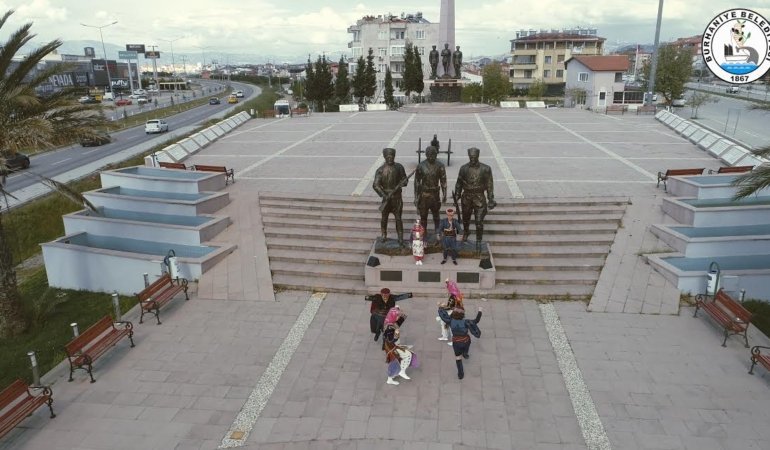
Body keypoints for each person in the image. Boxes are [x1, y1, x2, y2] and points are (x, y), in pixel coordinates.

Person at [454, 147, 496, 243]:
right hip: (467, 197)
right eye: (471, 157)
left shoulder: (486, 169)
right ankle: (466, 232)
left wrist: (490, 199)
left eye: (474, 157)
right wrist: (457, 195)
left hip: (479, 197)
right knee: (465, 219)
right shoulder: (463, 168)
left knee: (479, 222)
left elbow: (490, 185)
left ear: (478, 156)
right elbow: (459, 183)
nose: (472, 159)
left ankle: (478, 240)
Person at [373, 148, 409, 245]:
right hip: (386, 198)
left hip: (397, 198)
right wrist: (384, 195)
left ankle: (400, 237)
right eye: (388, 156)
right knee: (384, 218)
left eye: (392, 156)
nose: (390, 158)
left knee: (398, 219)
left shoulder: (399, 167)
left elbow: (405, 179)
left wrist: (404, 182)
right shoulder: (380, 170)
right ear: (385, 157)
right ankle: (384, 235)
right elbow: (375, 185)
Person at [437, 304, 482, 379]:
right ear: (463, 314)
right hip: (466, 341)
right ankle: (465, 354)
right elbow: (476, 321)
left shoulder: (450, 321)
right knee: (466, 349)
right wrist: (480, 311)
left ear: (453, 313)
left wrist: (440, 307)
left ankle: (460, 374)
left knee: (458, 358)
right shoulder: (466, 322)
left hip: (456, 343)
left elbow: (443, 316)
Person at [414, 146, 447, 235]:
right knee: (423, 217)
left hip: (435, 195)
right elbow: (416, 182)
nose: (431, 156)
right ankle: (424, 233)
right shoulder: (421, 166)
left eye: (433, 154)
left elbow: (443, 181)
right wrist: (416, 197)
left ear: (436, 155)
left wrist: (444, 194)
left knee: (436, 216)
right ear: (426, 155)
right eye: (429, 155)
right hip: (424, 195)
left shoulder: (440, 166)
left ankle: (437, 233)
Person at [382, 315, 415, 385]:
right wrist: (396, 335)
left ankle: (392, 377)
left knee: (396, 362)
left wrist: (403, 316)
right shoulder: (389, 331)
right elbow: (391, 340)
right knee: (404, 357)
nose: (397, 320)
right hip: (392, 349)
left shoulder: (393, 326)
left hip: (394, 347)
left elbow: (399, 322)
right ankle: (400, 371)